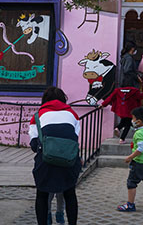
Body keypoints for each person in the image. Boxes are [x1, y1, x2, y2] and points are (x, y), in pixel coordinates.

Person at [29, 87, 81, 225]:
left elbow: (34, 144)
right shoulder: (73, 114)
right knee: (70, 193)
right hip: (69, 160)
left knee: (42, 194)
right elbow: (74, 139)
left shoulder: (37, 115)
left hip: (46, 161)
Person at [116, 106, 143, 212]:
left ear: (138, 121)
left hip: (140, 162)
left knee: (131, 182)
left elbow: (140, 148)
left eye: (133, 118)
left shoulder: (139, 133)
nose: (132, 120)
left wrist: (130, 157)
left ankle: (130, 204)